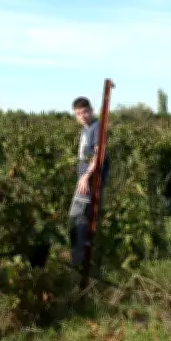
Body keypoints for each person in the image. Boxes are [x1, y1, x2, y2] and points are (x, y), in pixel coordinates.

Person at [69, 96, 110, 267]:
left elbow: (98, 155)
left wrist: (86, 177)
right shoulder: (85, 129)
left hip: (90, 179)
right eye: (78, 113)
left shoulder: (97, 128)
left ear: (91, 110)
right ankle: (80, 255)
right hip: (84, 178)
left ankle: (80, 258)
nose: (82, 116)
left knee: (78, 216)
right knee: (78, 217)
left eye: (85, 112)